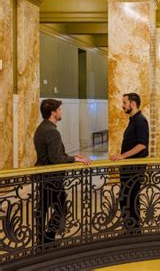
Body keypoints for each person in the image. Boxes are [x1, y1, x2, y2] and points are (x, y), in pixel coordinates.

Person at [33, 98, 91, 246]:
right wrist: (74, 159)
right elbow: (54, 158)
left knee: (43, 207)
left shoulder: (41, 128)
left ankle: (42, 238)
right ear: (53, 112)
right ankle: (48, 237)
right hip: (52, 178)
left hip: (43, 176)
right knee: (60, 207)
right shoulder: (52, 132)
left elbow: (52, 154)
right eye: (59, 110)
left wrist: (72, 156)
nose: (61, 112)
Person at [111, 92, 149, 232]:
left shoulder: (140, 121)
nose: (123, 106)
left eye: (124, 103)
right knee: (126, 198)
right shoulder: (133, 120)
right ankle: (130, 229)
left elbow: (142, 145)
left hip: (134, 168)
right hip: (129, 167)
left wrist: (122, 156)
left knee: (130, 198)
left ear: (132, 104)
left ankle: (133, 230)